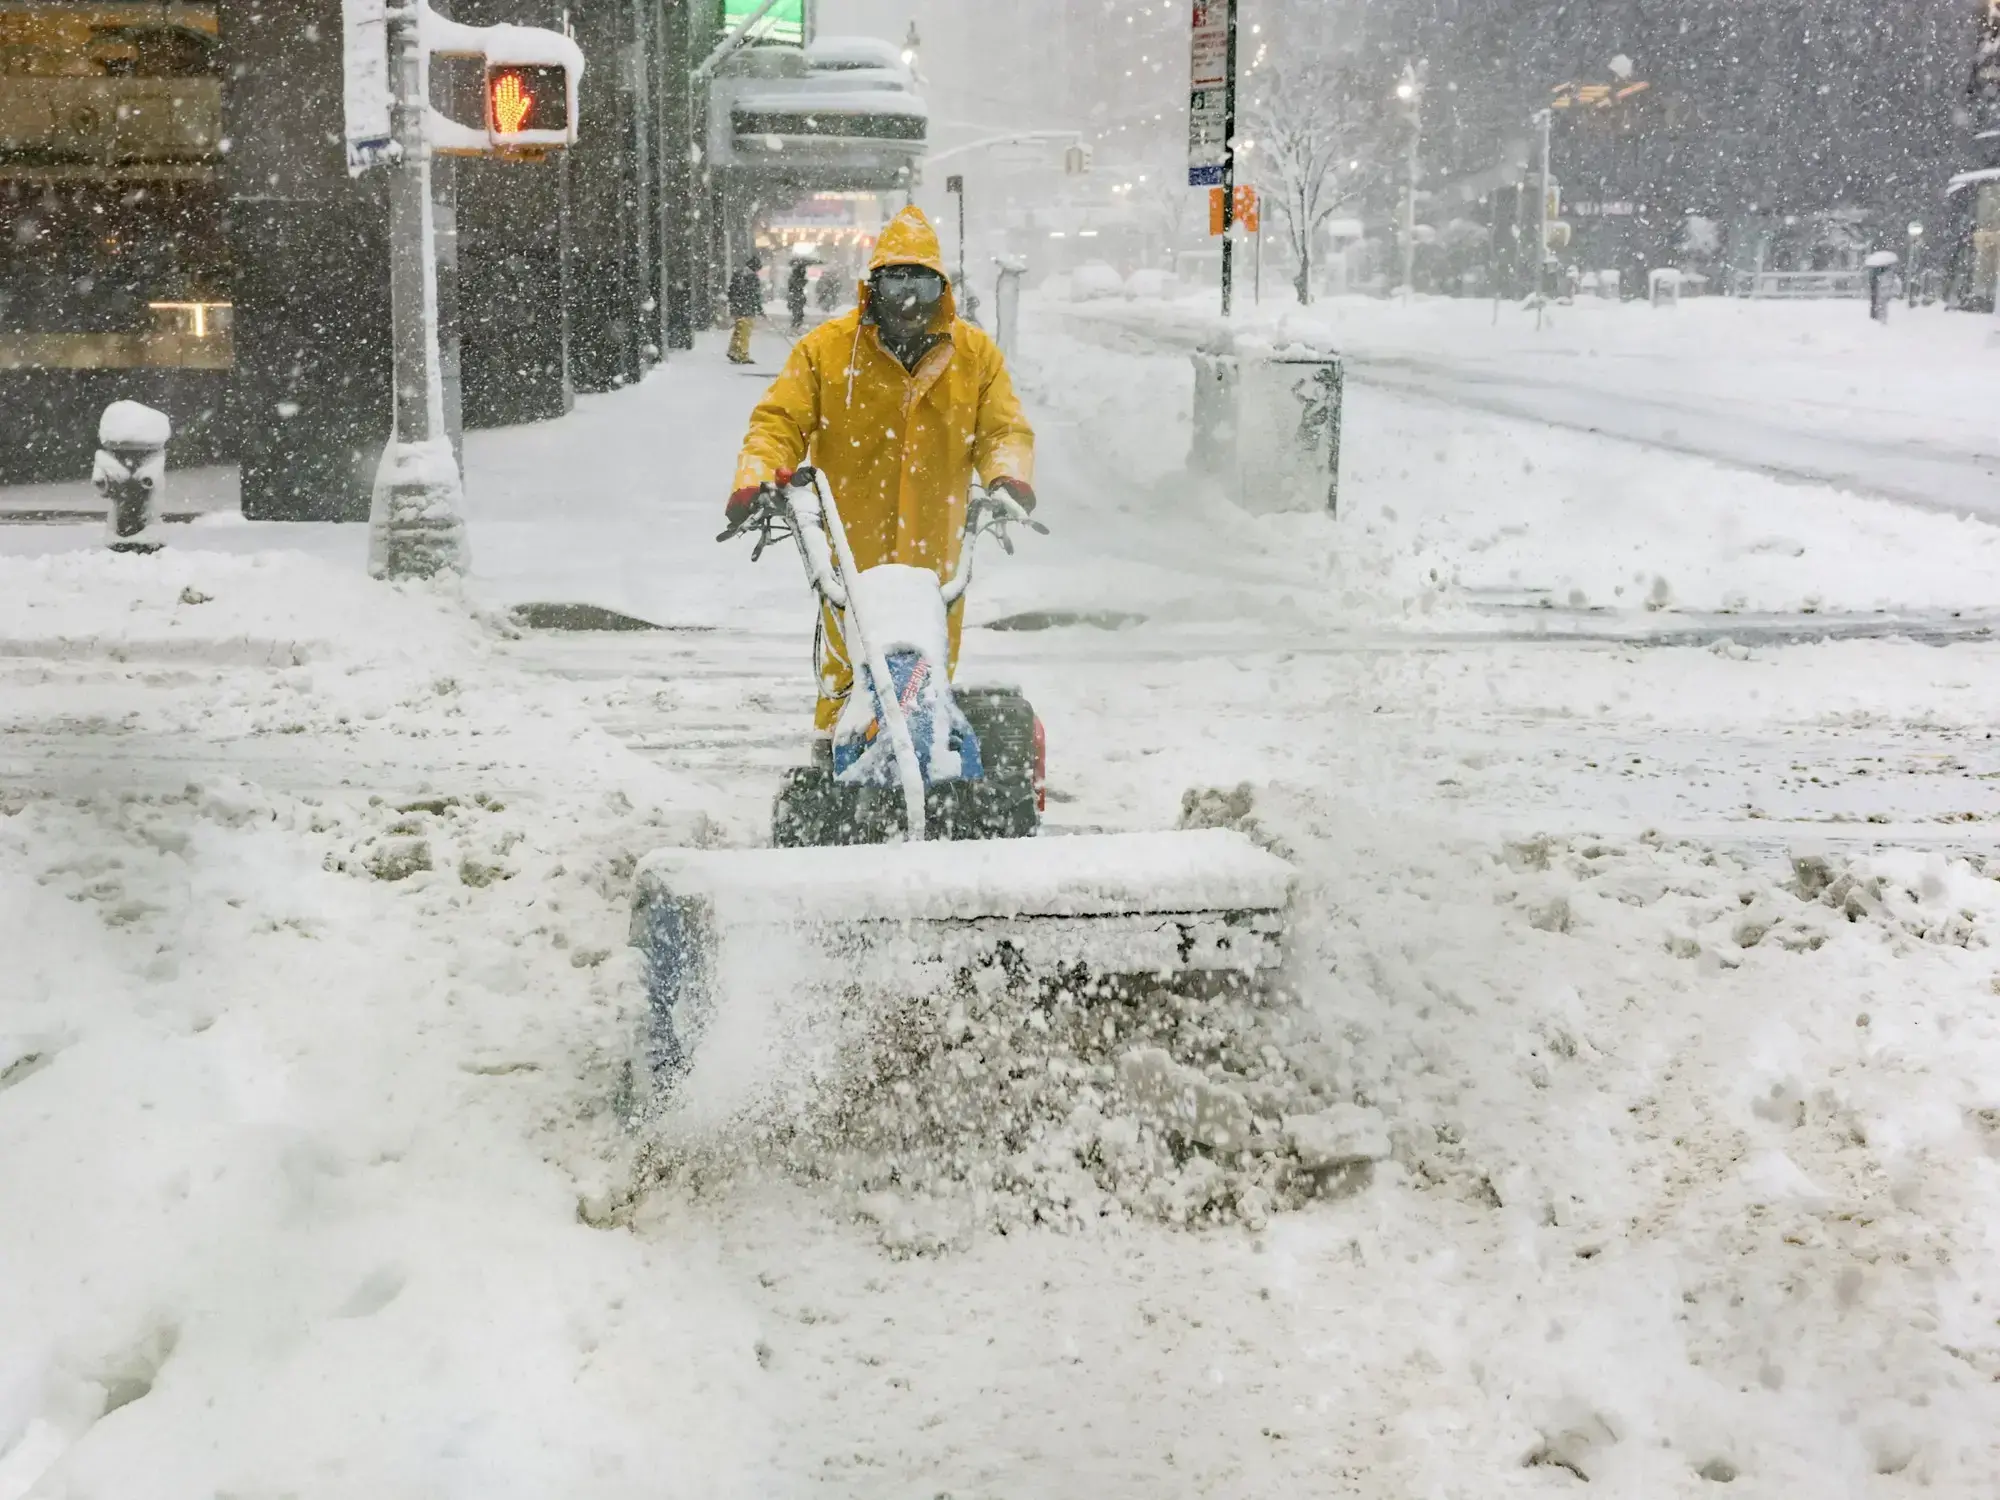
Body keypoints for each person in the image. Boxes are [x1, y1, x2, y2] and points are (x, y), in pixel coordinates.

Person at [729, 206, 1036, 735]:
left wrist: (1006, 476)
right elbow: (779, 421)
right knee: (848, 662)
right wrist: (756, 478)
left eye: (920, 282)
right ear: (873, 287)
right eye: (895, 283)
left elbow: (1002, 430)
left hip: (935, 546)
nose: (908, 299)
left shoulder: (974, 355)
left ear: (942, 288)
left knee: (929, 663)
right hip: (853, 544)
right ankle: (834, 757)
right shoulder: (826, 351)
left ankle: (927, 755)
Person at [726, 253, 763, 365]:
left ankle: (733, 350)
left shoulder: (738, 274)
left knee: (738, 330)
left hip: (737, 308)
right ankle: (742, 355)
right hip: (747, 309)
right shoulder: (753, 278)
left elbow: (731, 291)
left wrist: (735, 303)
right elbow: (754, 295)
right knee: (744, 333)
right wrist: (759, 308)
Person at [786, 256, 812, 334]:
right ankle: (794, 328)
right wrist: (804, 281)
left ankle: (795, 328)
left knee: (798, 313)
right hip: (796, 296)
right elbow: (798, 285)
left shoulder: (794, 277)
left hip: (796, 296)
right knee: (797, 313)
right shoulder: (795, 278)